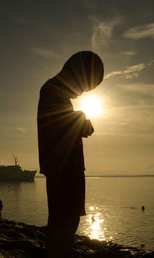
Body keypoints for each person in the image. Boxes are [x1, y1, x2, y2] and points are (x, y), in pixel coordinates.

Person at [37, 51, 104, 258]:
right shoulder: (52, 91)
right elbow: (59, 123)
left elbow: (63, 124)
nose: (82, 93)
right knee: (65, 218)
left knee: (64, 217)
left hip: (63, 165)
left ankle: (60, 250)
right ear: (77, 75)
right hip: (63, 167)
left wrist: (79, 121)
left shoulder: (55, 92)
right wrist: (81, 119)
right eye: (85, 87)